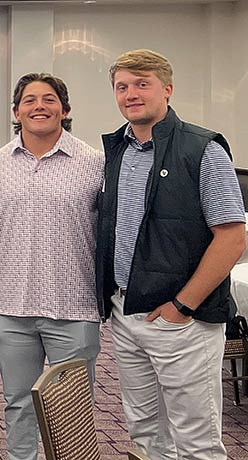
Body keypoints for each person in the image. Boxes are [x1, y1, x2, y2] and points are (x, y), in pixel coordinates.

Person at [98, 49, 244, 459]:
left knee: (196, 442)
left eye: (142, 84)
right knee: (146, 434)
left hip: (182, 320)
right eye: (122, 86)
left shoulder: (203, 150)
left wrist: (183, 305)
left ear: (168, 89)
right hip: (126, 313)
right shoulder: (118, 153)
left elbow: (232, 238)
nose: (131, 94)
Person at [0, 73, 102, 460]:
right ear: (16, 111)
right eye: (29, 100)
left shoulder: (95, 164)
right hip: (9, 307)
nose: (39, 106)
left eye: (49, 99)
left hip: (75, 306)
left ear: (65, 110)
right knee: (18, 404)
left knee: (72, 412)